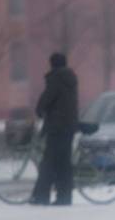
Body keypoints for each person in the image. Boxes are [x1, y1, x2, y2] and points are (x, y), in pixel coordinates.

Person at [30, 52, 79, 206]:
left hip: (57, 127)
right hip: (68, 126)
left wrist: (39, 110)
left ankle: (41, 197)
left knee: (48, 163)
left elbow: (47, 97)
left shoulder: (56, 78)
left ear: (52, 64)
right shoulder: (70, 78)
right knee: (63, 163)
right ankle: (64, 197)